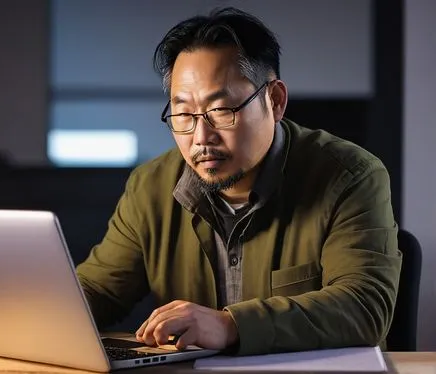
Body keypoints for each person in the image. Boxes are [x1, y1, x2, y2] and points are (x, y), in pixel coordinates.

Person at [76, 7, 402, 356]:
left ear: (275, 101)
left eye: (221, 110)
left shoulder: (350, 176)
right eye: (183, 114)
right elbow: (99, 291)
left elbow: (365, 308)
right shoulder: (150, 186)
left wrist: (231, 324)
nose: (201, 137)